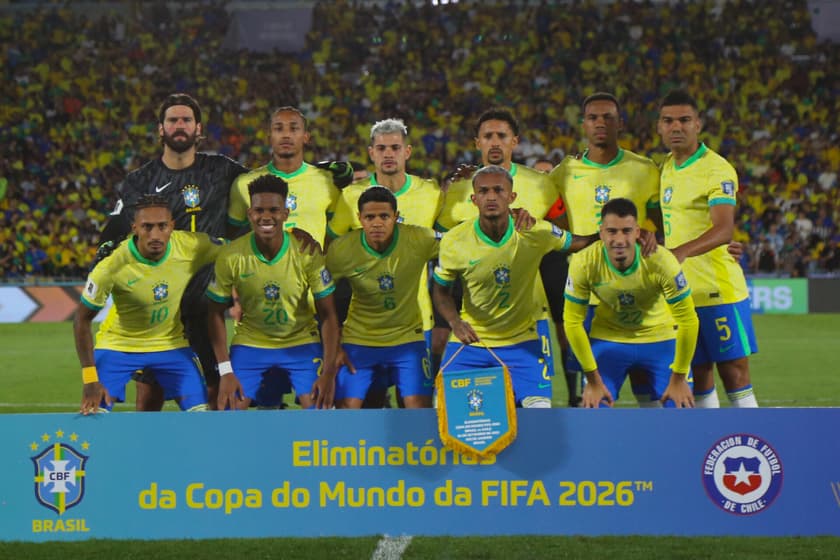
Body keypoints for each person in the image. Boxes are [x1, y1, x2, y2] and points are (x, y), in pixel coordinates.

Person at [95, 93, 248, 412]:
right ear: (161, 129)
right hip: (160, 308)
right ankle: (147, 459)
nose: (180, 126)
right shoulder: (141, 180)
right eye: (173, 120)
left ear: (198, 128)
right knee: (149, 396)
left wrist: (320, 170)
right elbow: (115, 228)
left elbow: (268, 182)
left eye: (186, 120)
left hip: (207, 306)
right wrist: (105, 254)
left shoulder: (222, 169)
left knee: (218, 390)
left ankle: (212, 458)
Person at [432, 166, 594, 408]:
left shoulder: (535, 232)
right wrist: (455, 322)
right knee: (444, 412)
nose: (491, 196)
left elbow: (579, 242)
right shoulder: (455, 241)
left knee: (540, 414)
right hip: (472, 342)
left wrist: (621, 233)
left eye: (499, 190)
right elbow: (441, 290)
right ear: (474, 199)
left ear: (512, 197)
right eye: (484, 191)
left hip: (522, 343)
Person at [547, 92, 663, 406]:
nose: (601, 123)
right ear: (583, 125)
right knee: (596, 395)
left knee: (649, 388)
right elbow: (541, 213)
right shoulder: (564, 173)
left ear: (620, 123)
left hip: (639, 292)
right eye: (593, 118)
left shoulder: (644, 169)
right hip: (586, 295)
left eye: (608, 117)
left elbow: (666, 225)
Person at [434, 108, 560, 387]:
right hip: (475, 314)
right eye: (487, 136)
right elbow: (441, 239)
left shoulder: (541, 184)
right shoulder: (458, 189)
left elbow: (561, 234)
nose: (494, 142)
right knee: (473, 403)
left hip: (529, 313)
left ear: (515, 141)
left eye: (501, 136)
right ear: (476, 142)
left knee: (535, 399)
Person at [327, 118, 443, 407]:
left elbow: (450, 247)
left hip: (417, 322)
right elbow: (331, 251)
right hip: (365, 329)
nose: (388, 154)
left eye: (395, 147)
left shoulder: (430, 194)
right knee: (369, 406)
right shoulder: (351, 197)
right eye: (381, 148)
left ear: (408, 151)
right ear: (371, 153)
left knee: (415, 409)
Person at [75, 195, 225, 414]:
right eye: (147, 227)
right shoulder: (111, 265)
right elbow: (81, 320)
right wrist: (90, 379)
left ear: (172, 226)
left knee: (200, 415)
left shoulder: (191, 246)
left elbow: (237, 249)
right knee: (94, 413)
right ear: (134, 228)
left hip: (170, 345)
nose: (155, 235)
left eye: (162, 226)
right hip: (119, 345)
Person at [657, 89, 758, 408]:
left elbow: (724, 228)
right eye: (668, 121)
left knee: (735, 372)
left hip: (718, 290)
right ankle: (709, 444)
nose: (677, 127)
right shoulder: (666, 167)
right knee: (698, 374)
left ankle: (754, 441)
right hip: (681, 292)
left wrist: (681, 251)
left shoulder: (716, 168)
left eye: (685, 120)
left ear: (698, 124)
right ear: (659, 127)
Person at [206, 175, 340, 410]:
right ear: (249, 214)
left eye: (274, 210)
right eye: (259, 210)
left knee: (322, 411)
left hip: (301, 341)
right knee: (228, 410)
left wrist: (328, 373)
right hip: (251, 343)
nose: (266, 216)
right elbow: (214, 313)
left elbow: (328, 315)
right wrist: (226, 370)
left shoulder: (306, 252)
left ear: (286, 214)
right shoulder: (231, 256)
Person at [563, 198, 698, 408]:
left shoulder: (661, 261)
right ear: (601, 232)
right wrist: (592, 380)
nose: (619, 239)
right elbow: (572, 322)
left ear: (637, 232)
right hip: (609, 339)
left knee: (680, 409)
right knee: (593, 410)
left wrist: (679, 378)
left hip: (660, 338)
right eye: (612, 231)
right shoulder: (584, 262)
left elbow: (689, 320)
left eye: (626, 231)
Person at [227, 106, 350, 246]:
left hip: (313, 267)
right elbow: (233, 236)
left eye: (293, 129)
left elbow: (336, 234)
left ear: (306, 137)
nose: (286, 135)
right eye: (279, 129)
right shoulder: (244, 183)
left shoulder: (327, 181)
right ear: (270, 137)